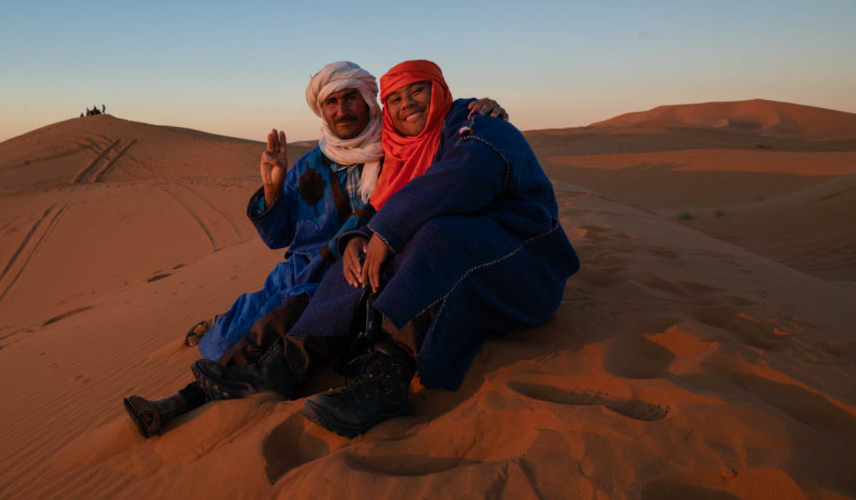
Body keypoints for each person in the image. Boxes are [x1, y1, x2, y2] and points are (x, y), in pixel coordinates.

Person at [191, 59, 579, 438]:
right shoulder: (391, 150)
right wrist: (352, 236)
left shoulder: (468, 129)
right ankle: (282, 368)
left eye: (417, 91)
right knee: (342, 267)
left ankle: (387, 380)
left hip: (519, 260)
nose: (406, 103)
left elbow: (458, 180)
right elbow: (293, 232)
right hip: (316, 271)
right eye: (396, 98)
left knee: (432, 235)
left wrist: (383, 233)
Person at [123, 61, 508, 437]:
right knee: (246, 328)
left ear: (370, 101)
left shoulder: (398, 145)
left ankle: (185, 401)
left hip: (364, 270)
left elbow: (443, 131)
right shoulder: (309, 165)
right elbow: (278, 237)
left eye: (350, 98)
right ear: (321, 110)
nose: (342, 110)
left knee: (285, 327)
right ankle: (177, 402)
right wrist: (273, 188)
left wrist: (481, 108)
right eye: (332, 102)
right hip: (302, 272)